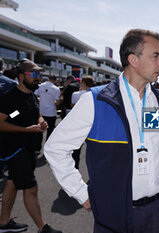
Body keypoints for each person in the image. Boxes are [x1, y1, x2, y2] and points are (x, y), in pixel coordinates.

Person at [44, 29, 159, 233]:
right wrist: (81, 193)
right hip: (113, 214)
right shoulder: (96, 101)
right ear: (133, 60)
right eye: (156, 56)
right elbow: (55, 148)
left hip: (156, 211)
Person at [0, 59, 62, 233]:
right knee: (31, 188)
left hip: (28, 149)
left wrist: (42, 123)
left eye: (39, 75)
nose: (38, 78)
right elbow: (1, 123)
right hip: (16, 150)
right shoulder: (10, 97)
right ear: (21, 76)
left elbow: (38, 115)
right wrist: (25, 130)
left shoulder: (31, 96)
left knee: (12, 183)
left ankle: (3, 223)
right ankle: (43, 228)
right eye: (34, 74)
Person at [70, 75, 95, 169]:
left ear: (83, 83)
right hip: (92, 123)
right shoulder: (95, 95)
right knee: (93, 148)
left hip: (79, 123)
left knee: (76, 149)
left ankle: (75, 168)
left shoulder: (76, 94)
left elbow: (72, 107)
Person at [34, 75, 60, 141]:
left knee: (40, 130)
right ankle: (47, 147)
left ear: (48, 79)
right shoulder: (56, 89)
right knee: (50, 131)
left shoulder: (40, 86)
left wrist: (40, 99)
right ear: (55, 80)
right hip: (51, 112)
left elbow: (35, 95)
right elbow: (57, 102)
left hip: (41, 112)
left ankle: (38, 148)